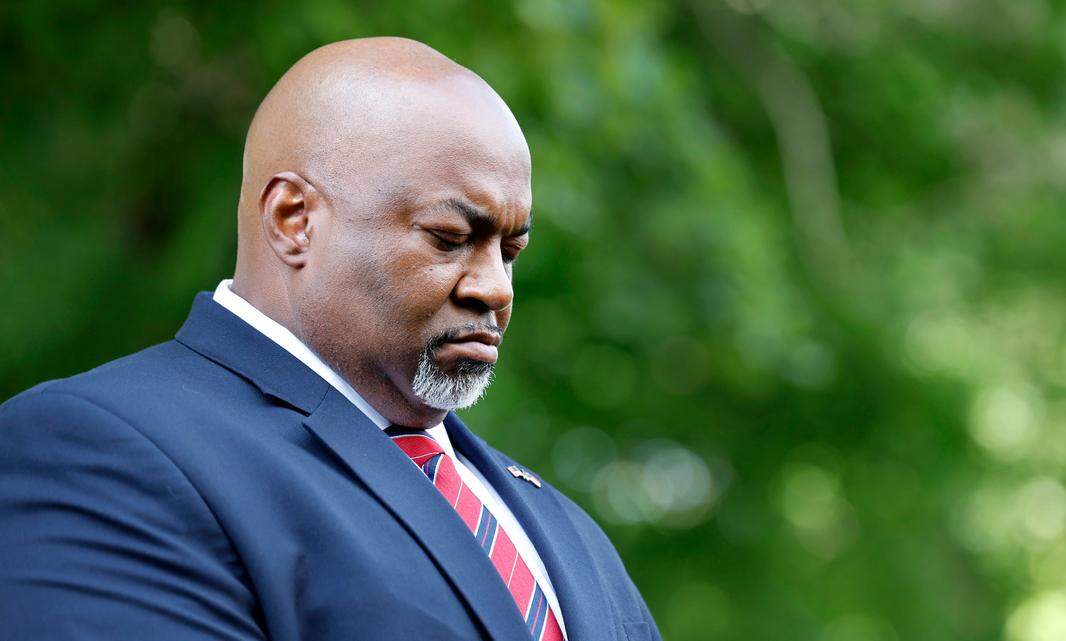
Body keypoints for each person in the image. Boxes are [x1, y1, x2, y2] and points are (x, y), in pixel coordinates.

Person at [0, 37, 661, 641]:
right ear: (294, 220)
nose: (495, 289)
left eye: (509, 250)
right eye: (450, 238)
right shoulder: (102, 452)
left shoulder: (561, 530)